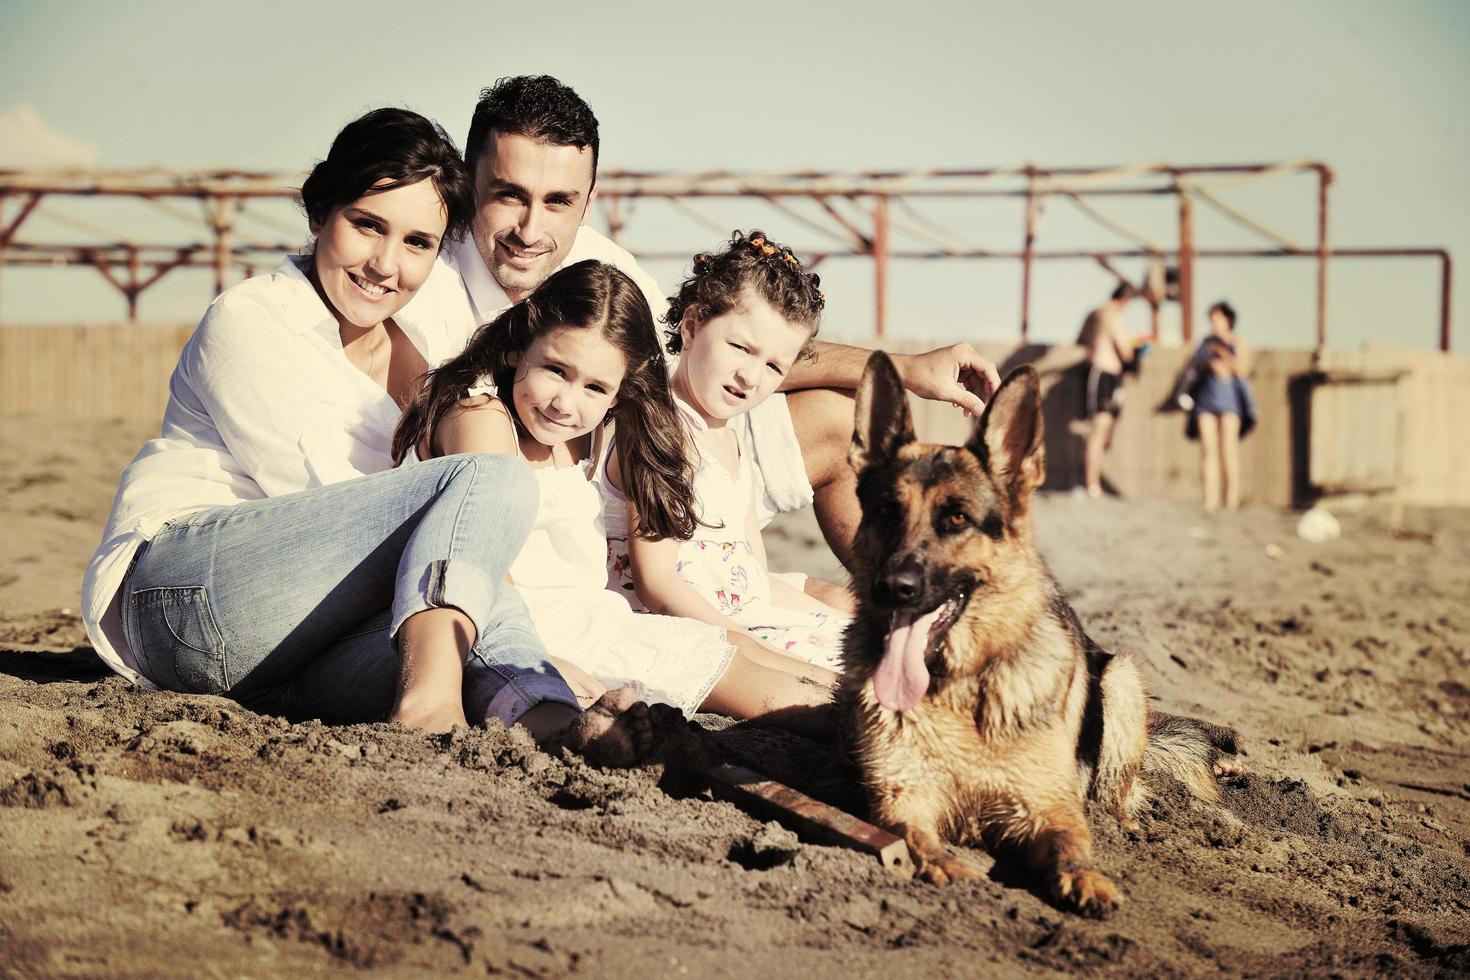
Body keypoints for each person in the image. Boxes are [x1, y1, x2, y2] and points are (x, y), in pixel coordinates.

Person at [80, 108, 648, 763]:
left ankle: (551, 720)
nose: (385, 263)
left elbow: (439, 564)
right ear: (322, 211)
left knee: (465, 643)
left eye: (417, 243)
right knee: (489, 481)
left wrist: (522, 649)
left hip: (295, 653)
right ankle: (431, 706)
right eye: (367, 225)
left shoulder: (420, 345)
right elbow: (371, 512)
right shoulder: (252, 320)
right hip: (188, 602)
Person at [395, 75, 1001, 583]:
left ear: (588, 198)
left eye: (558, 201)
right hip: (557, 514)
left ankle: (892, 599)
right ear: (470, 180)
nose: (531, 228)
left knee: (841, 419)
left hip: (662, 473)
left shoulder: (602, 263)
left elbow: (716, 350)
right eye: (508, 195)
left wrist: (905, 369)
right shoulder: (423, 280)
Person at [392, 259, 836, 736]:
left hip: (599, 621)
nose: (566, 402)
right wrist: (538, 659)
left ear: (619, 392)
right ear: (518, 349)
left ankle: (872, 706)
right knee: (750, 682)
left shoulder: (589, 433)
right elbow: (483, 564)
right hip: (515, 631)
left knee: (740, 652)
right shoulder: (482, 417)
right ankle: (858, 721)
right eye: (556, 370)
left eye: (596, 387)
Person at [602, 232, 850, 670]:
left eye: (774, 366)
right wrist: (760, 650)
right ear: (693, 325)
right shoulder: (657, 425)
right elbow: (657, 583)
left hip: (742, 620)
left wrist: (829, 620)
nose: (751, 376)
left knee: (858, 634)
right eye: (741, 347)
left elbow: (754, 577)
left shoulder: (732, 441)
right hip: (685, 628)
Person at [1186, 301, 1256, 512]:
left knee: (1228, 449)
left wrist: (1225, 357)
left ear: (1228, 321)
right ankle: (1209, 498)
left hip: (1230, 403)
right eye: (1211, 320)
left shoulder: (1239, 343)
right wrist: (1210, 363)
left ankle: (1231, 498)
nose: (1214, 324)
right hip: (1206, 401)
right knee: (1208, 449)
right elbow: (1194, 366)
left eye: (1218, 319)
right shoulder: (1205, 343)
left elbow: (1243, 370)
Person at [1076, 282, 1140, 498]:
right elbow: (1126, 351)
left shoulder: (1093, 314)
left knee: (1103, 431)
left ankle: (1093, 483)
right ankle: (1092, 485)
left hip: (1100, 373)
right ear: (1125, 300)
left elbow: (1080, 340)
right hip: (1103, 375)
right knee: (1100, 429)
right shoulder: (1112, 315)